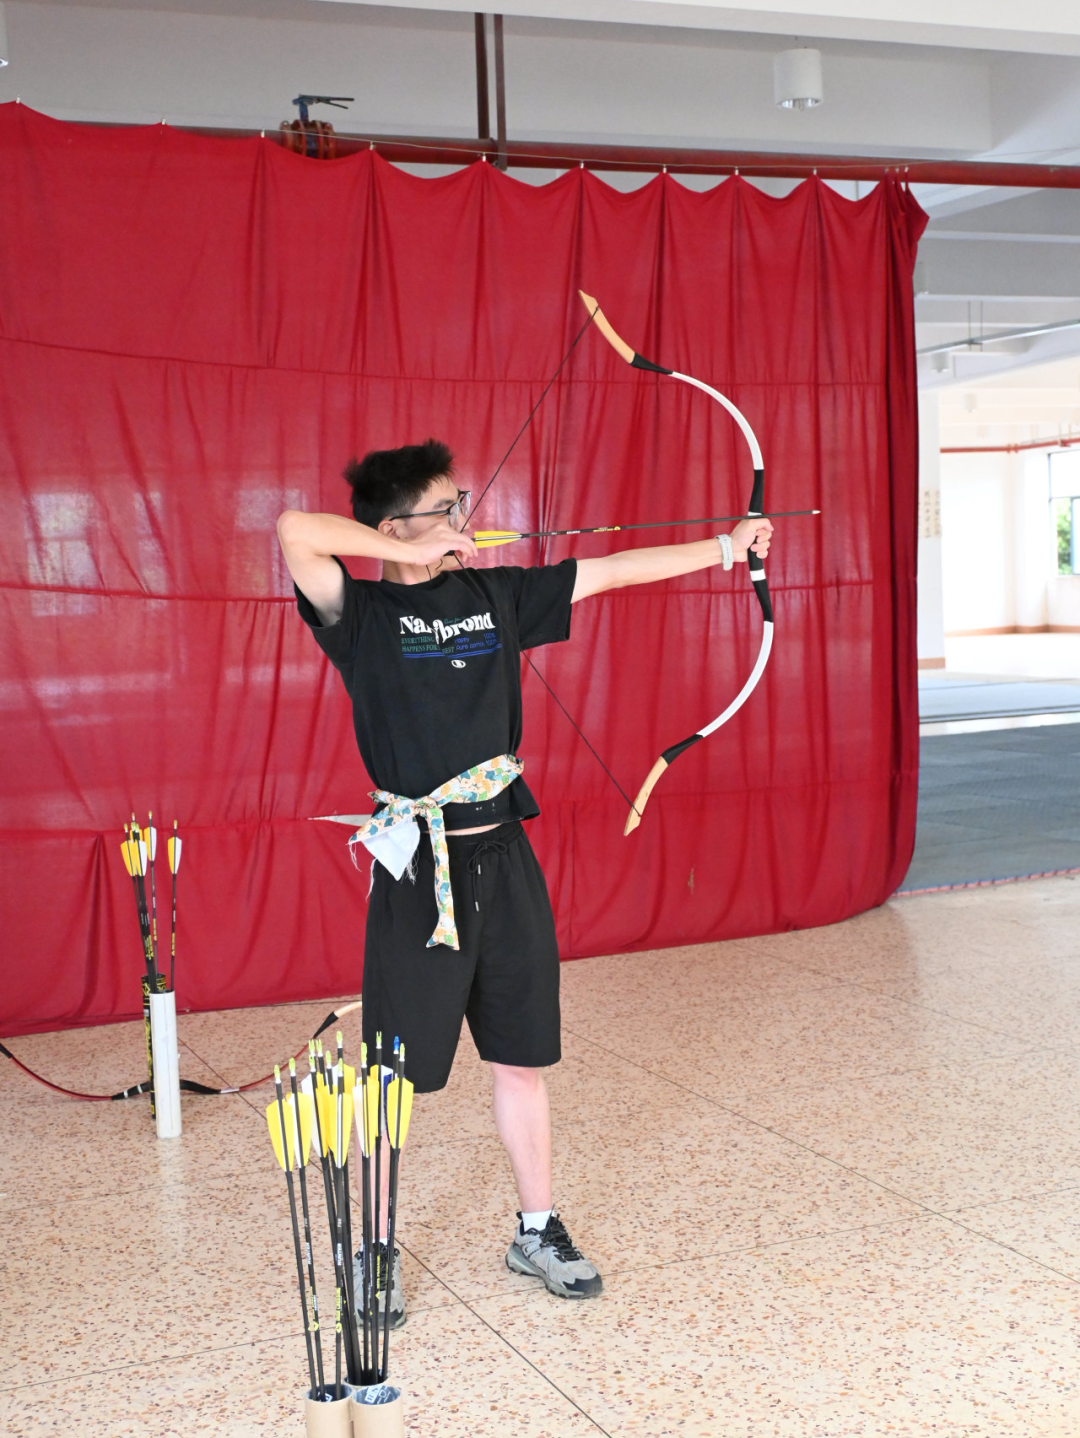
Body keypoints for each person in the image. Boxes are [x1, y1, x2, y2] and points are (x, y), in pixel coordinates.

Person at [277, 437, 772, 1325]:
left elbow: (611, 572)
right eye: (445, 510)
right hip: (419, 869)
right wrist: (404, 549)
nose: (462, 522)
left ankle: (536, 1230)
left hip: (504, 860)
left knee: (521, 1058)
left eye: (460, 505)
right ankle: (375, 1250)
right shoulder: (359, 612)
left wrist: (725, 547)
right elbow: (294, 530)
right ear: (395, 527)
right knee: (394, 1077)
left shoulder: (495, 595)